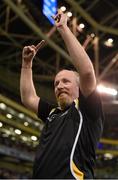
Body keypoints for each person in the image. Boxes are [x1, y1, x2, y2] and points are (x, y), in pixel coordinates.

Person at [20, 12, 104, 179]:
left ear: (79, 87)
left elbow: (87, 72)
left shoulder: (87, 110)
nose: (59, 86)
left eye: (66, 81)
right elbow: (28, 98)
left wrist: (63, 29)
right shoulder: (53, 114)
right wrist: (27, 65)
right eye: (56, 83)